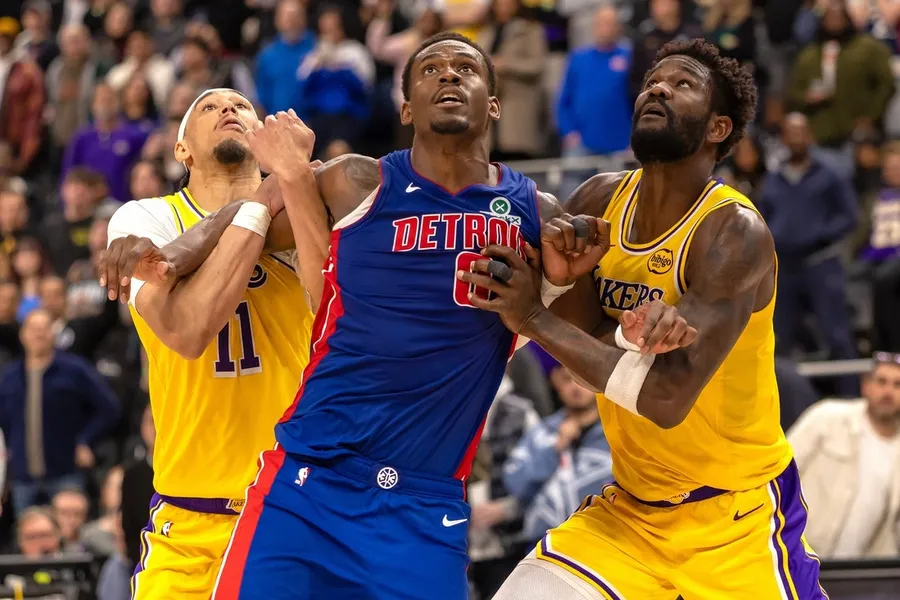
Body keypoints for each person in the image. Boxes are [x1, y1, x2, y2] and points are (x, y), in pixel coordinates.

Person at [205, 31, 691, 600]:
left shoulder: (537, 214)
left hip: (425, 511)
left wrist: (594, 306)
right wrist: (161, 249)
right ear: (406, 108)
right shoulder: (357, 180)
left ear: (494, 104)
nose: (449, 75)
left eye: (466, 67)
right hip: (307, 485)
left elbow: (587, 355)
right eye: (431, 69)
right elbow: (248, 221)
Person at [467, 39, 827, 599]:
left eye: (682, 84)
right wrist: (573, 298)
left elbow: (664, 398)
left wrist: (534, 315)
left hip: (735, 520)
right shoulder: (596, 201)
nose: (657, 87)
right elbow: (585, 364)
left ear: (718, 128)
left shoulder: (734, 232)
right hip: (631, 513)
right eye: (653, 80)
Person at [100, 88, 323, 599]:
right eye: (209, 106)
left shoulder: (305, 204)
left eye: (242, 106)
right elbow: (188, 331)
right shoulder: (145, 219)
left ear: (263, 137)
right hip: (188, 518)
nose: (228, 109)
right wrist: (257, 205)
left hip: (290, 505)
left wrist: (289, 183)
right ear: (181, 150)